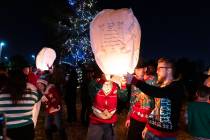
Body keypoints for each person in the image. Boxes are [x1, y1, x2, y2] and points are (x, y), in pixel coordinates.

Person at [134, 57, 186, 140]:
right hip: (151, 131)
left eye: (159, 68)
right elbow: (156, 109)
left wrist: (135, 81)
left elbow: (159, 92)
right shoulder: (161, 86)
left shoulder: (176, 87)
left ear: (169, 70)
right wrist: (147, 126)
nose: (156, 71)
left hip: (165, 136)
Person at [0, 69, 42, 140]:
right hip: (27, 130)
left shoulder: (1, 95)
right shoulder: (33, 95)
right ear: (25, 80)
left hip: (7, 132)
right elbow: (39, 97)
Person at [87, 72, 128, 140]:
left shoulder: (116, 84)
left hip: (111, 122)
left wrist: (123, 86)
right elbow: (91, 94)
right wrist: (102, 81)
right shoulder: (95, 83)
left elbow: (123, 98)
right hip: (96, 122)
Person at [125, 63, 157, 140]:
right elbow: (132, 100)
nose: (136, 72)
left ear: (145, 69)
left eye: (139, 69)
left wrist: (151, 122)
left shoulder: (153, 81)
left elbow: (156, 103)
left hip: (148, 120)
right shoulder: (134, 82)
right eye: (135, 69)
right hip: (134, 118)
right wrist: (129, 117)